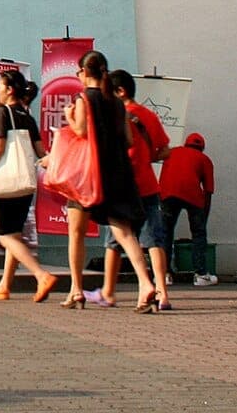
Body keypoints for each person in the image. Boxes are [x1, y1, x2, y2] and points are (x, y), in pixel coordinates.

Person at [58, 50, 157, 311]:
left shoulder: (83, 98)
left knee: (76, 232)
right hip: (118, 172)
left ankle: (76, 289)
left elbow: (81, 131)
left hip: (88, 174)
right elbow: (129, 140)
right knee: (124, 232)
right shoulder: (117, 102)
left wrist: (69, 116)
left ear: (84, 72)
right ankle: (145, 283)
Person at [0, 69, 58, 301]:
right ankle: (4, 285)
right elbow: (41, 152)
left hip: (4, 182)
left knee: (5, 236)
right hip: (24, 182)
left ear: (9, 90)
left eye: (0, 86)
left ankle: (41, 275)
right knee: (14, 234)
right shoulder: (27, 116)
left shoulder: (2, 112)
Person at [92, 70, 171, 309]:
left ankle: (108, 292)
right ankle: (162, 293)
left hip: (121, 186)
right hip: (148, 185)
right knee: (154, 240)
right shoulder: (150, 116)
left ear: (120, 91)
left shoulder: (116, 115)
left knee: (114, 241)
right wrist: (148, 157)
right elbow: (165, 150)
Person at [159, 132, 216, 285]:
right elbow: (208, 192)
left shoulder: (172, 152)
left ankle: (164, 274)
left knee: (165, 232)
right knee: (198, 233)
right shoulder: (205, 159)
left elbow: (163, 177)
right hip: (193, 195)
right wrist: (204, 218)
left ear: (185, 144)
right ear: (202, 148)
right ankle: (200, 274)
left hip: (167, 193)